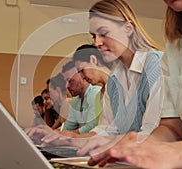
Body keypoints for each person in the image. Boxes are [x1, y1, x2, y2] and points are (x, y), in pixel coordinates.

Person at [83, 0, 182, 168]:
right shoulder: (176, 45)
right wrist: (144, 145)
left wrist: (176, 152)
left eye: (104, 33)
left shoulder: (153, 63)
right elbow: (173, 128)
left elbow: (176, 148)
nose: (97, 42)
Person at [27, 0, 163, 146]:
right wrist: (66, 137)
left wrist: (73, 138)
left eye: (104, 33)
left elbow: (152, 135)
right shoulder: (114, 78)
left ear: (128, 28)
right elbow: (107, 131)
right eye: (94, 36)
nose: (97, 43)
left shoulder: (157, 65)